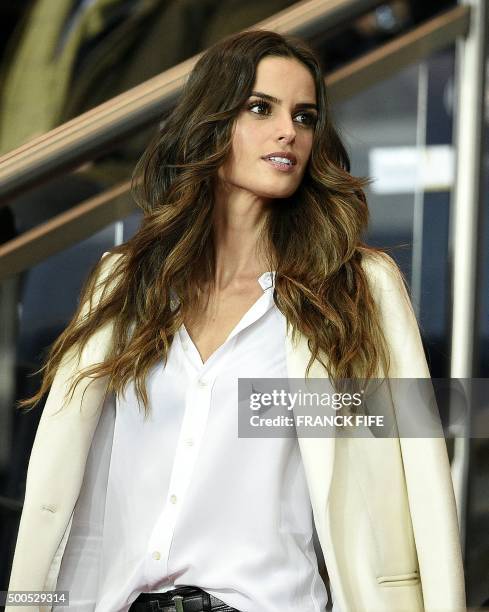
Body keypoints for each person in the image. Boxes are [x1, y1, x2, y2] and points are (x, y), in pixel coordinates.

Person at [6, 29, 465, 612]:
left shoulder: (357, 290)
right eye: (260, 108)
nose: (288, 132)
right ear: (210, 122)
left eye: (305, 116)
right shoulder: (124, 283)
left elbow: (420, 474)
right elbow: (72, 494)